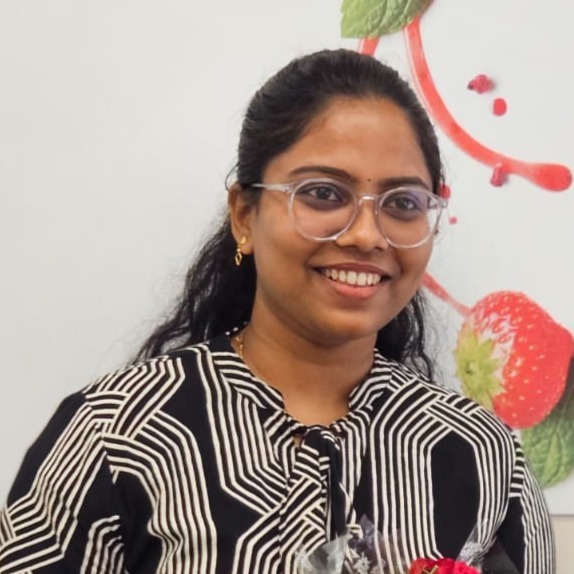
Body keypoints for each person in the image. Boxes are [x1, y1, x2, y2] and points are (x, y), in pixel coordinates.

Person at [0, 49, 553, 573]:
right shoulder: (114, 434)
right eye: (323, 193)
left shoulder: (483, 454)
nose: (366, 235)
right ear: (245, 214)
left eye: (403, 203)